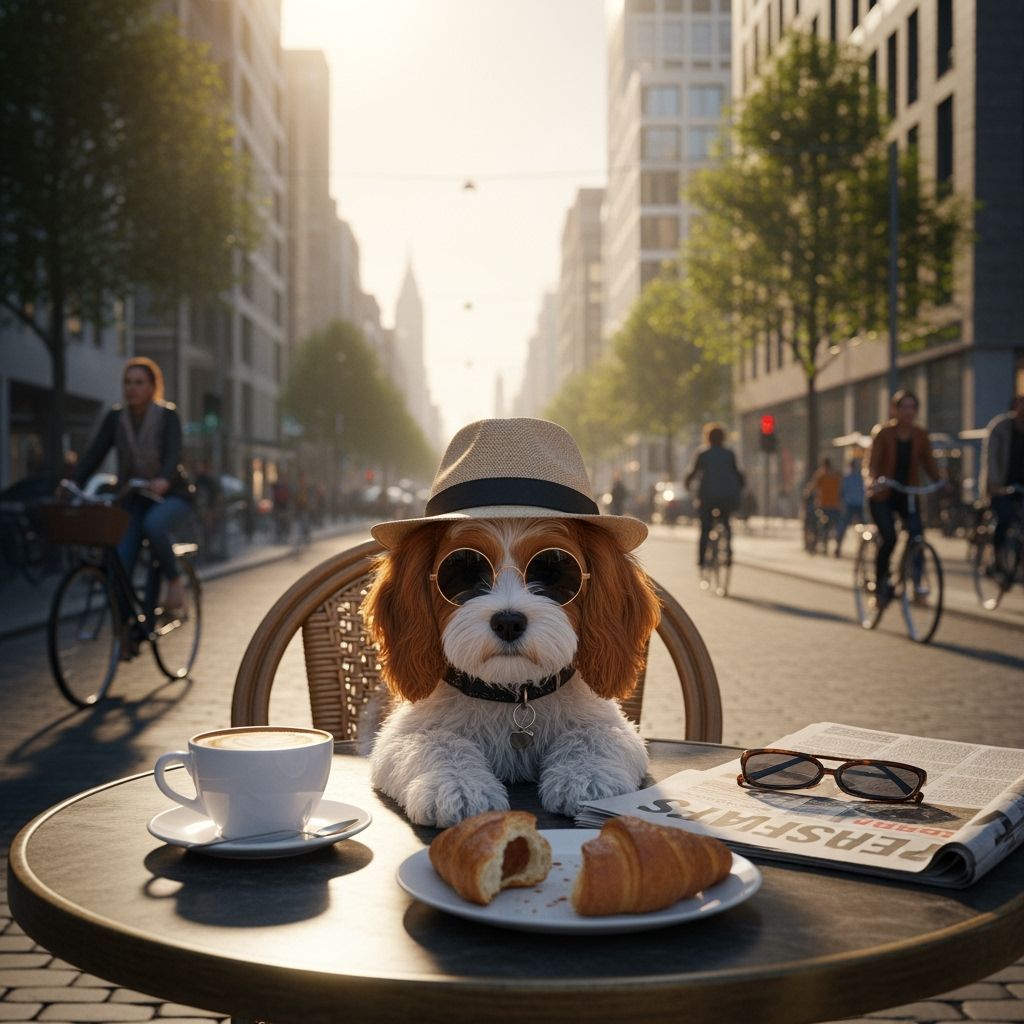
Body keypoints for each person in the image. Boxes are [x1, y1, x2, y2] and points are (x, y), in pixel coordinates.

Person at [68, 357, 194, 616]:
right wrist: (73, 481)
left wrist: (164, 479)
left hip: (172, 495)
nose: (131, 388)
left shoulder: (167, 415)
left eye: (139, 382)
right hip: (134, 497)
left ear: (152, 387)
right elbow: (95, 454)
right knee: (120, 561)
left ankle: (174, 580)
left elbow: (173, 453)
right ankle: (126, 631)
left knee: (155, 525)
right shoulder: (116, 417)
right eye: (127, 382)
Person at [864, 390, 945, 605]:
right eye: (904, 407)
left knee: (917, 535)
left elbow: (929, 463)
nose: (908, 412)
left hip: (907, 493)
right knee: (889, 537)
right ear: (895, 410)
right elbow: (871, 463)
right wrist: (873, 479)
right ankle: (880, 585)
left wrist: (941, 481)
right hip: (882, 494)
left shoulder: (920, 435)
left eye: (912, 407)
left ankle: (917, 585)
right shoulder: (883, 433)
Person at [684, 423, 745, 572]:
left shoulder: (702, 453)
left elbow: (692, 474)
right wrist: (740, 489)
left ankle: (702, 561)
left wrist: (687, 485)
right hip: (726, 498)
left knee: (705, 528)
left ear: (707, 438)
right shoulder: (729, 453)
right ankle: (729, 555)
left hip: (707, 498)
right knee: (726, 524)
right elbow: (738, 475)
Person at [980, 394, 1024, 579]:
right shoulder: (1000, 427)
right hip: (1001, 486)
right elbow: (991, 459)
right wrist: (995, 484)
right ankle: (997, 557)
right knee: (1004, 518)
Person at [802, 457, 842, 555]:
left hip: (822, 505)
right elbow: (842, 489)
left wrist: (806, 494)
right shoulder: (837, 475)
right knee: (837, 525)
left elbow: (811, 488)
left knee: (814, 522)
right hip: (835, 506)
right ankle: (837, 545)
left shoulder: (821, 474)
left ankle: (816, 542)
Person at [835, 456, 866, 557]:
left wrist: (841, 501)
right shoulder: (861, 478)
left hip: (850, 505)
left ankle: (838, 546)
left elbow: (841, 492)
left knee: (843, 526)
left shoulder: (847, 477)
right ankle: (864, 547)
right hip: (858, 505)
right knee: (864, 527)